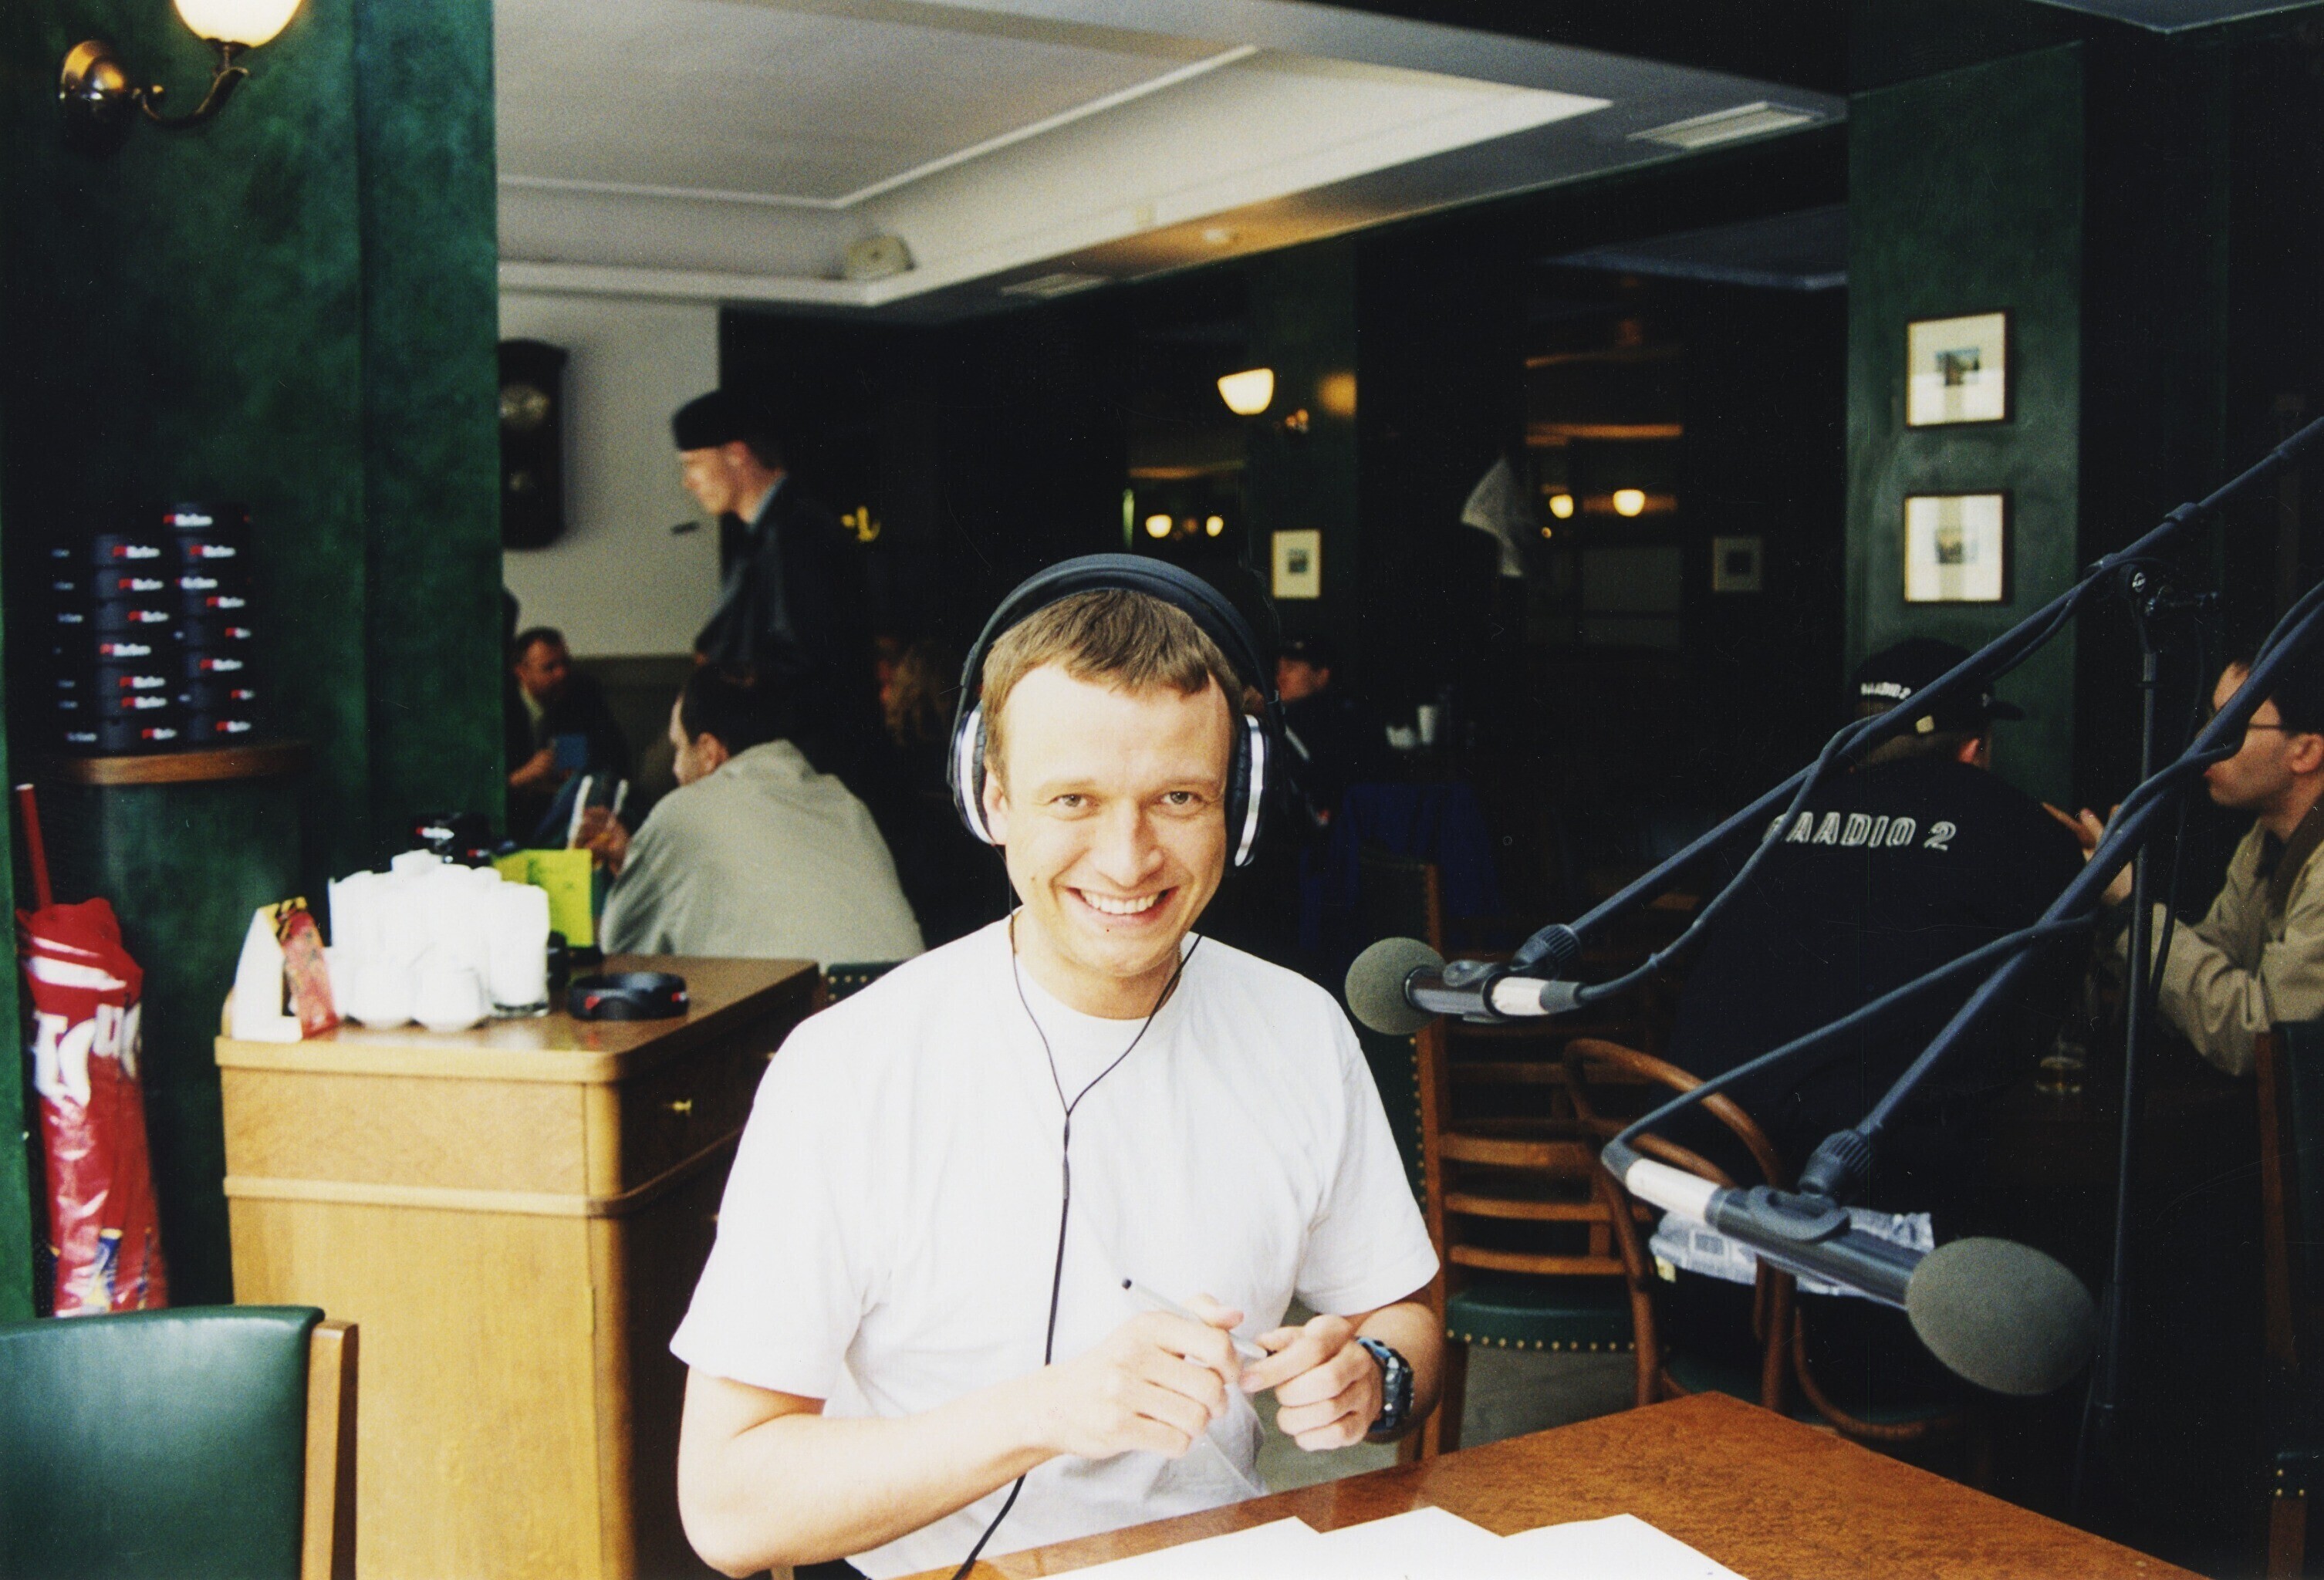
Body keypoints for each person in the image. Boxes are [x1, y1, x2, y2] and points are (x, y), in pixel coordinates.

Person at [670, 564, 1441, 1580]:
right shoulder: (846, 1069)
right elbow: (727, 1505)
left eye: (1178, 798)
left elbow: (1407, 1318)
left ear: (1240, 806)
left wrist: (1375, 1376)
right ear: (991, 797)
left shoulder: (1300, 1030)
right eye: (1073, 799)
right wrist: (1045, 1411)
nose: (1127, 859)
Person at [1658, 639, 2084, 1404]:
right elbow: (2030, 1031)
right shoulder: (2019, 830)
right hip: (1886, 1309)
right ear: (1976, 748)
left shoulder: (1759, 824)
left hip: (1700, 1284)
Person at [2065, 650, 2324, 1076]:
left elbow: (2262, 1038)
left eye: (2232, 725)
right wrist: (2113, 911)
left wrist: (2133, 913)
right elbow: (2200, 991)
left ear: (2306, 752)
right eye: (2210, 719)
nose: (2204, 742)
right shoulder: (2263, 841)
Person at [593, 667, 922, 966]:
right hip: (909, 997)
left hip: (809, 1008)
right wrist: (640, 860)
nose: (675, 768)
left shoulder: (682, 813)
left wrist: (642, 865)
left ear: (709, 752)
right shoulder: (843, 801)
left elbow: (620, 947)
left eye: (678, 748)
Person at [674, 390, 876, 781]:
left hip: (809, 771)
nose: (688, 482)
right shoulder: (768, 535)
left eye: (694, 463)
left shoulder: (798, 536)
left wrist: (717, 684)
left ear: (736, 453)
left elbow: (805, 669)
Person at [505, 626, 630, 842]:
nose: (561, 674)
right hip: (516, 821)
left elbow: (617, 756)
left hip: (570, 813)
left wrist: (581, 768)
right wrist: (522, 777)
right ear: (521, 672)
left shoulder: (583, 692)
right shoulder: (499, 707)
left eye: (565, 663)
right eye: (549, 668)